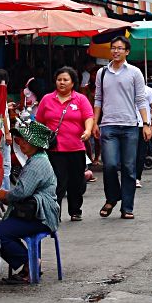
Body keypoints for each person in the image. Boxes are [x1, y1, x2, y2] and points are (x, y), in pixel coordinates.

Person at [0, 118, 60, 285]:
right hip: (35, 214)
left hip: (41, 217)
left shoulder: (38, 162)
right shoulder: (36, 159)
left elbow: (21, 192)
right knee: (0, 230)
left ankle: (30, 262)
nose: (21, 144)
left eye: (26, 141)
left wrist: (4, 194)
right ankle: (29, 264)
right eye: (21, 140)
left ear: (36, 143)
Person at [91, 32, 152, 219]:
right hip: (108, 125)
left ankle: (127, 207)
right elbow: (98, 99)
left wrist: (147, 124)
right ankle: (112, 197)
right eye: (113, 48)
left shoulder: (134, 72)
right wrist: (94, 122)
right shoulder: (102, 73)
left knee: (128, 168)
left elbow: (141, 99)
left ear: (127, 51)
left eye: (120, 48)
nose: (116, 51)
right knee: (109, 165)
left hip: (130, 126)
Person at [36, 67, 94, 221]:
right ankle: (55, 212)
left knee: (76, 182)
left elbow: (89, 116)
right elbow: (39, 122)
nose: (61, 82)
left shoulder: (80, 99)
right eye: (59, 79)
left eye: (65, 80)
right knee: (57, 182)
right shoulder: (47, 99)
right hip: (54, 149)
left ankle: (75, 211)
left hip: (76, 147)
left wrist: (88, 131)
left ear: (73, 83)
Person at [135, 81, 152, 187]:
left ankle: (137, 178)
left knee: (141, 153)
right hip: (129, 125)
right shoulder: (127, 89)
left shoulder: (148, 90)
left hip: (144, 126)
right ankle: (130, 177)